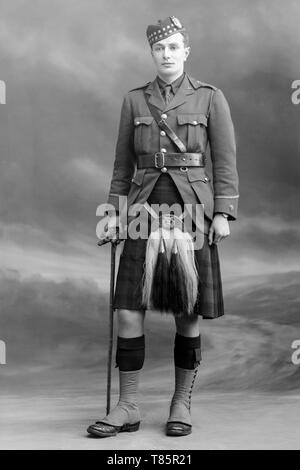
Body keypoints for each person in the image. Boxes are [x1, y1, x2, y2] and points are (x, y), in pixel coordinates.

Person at [88, 16, 239, 438]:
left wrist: (223, 214)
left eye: (174, 47)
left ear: (186, 51)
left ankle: (181, 404)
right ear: (151, 53)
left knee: (187, 312)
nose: (166, 54)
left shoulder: (211, 98)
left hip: (193, 213)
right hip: (142, 213)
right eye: (159, 49)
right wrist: (113, 215)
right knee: (127, 311)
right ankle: (128, 406)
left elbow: (224, 164)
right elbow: (122, 167)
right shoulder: (135, 101)